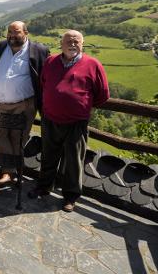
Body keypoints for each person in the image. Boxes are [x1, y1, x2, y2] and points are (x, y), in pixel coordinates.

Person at [29, 30, 109, 212]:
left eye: (76, 41)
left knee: (74, 160)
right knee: (48, 156)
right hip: (50, 119)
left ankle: (70, 196)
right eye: (68, 41)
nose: (72, 44)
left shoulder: (93, 64)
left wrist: (81, 106)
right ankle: (44, 187)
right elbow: (44, 84)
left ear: (83, 44)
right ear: (61, 44)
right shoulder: (51, 62)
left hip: (76, 122)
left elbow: (102, 95)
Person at [0, 21, 50, 184]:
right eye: (10, 32)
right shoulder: (0, 47)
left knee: (18, 137)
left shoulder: (38, 50)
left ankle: (10, 171)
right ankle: (11, 170)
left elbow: (46, 76)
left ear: (26, 33)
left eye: (17, 32)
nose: (12, 35)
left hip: (24, 105)